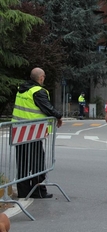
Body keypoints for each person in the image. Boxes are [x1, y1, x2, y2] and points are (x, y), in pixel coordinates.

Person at [12, 67, 63, 199]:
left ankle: (23, 192)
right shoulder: (38, 91)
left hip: (19, 132)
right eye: (44, 77)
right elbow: (47, 108)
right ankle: (38, 191)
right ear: (41, 78)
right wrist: (58, 116)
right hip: (33, 133)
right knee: (37, 163)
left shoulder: (22, 89)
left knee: (22, 164)